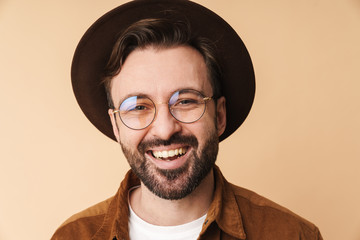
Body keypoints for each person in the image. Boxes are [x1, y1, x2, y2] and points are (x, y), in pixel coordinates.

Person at [51, 0, 322, 239]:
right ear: (116, 127)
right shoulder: (73, 236)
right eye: (138, 106)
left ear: (219, 116)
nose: (165, 129)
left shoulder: (292, 234)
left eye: (185, 101)